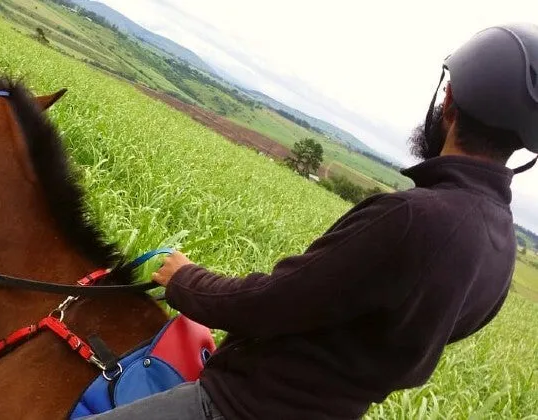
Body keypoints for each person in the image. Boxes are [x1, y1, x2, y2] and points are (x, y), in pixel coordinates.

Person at [88, 23, 538, 420]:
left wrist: (185, 279)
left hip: (242, 406)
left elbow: (271, 302)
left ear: (449, 99)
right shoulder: (500, 250)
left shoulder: (413, 217)